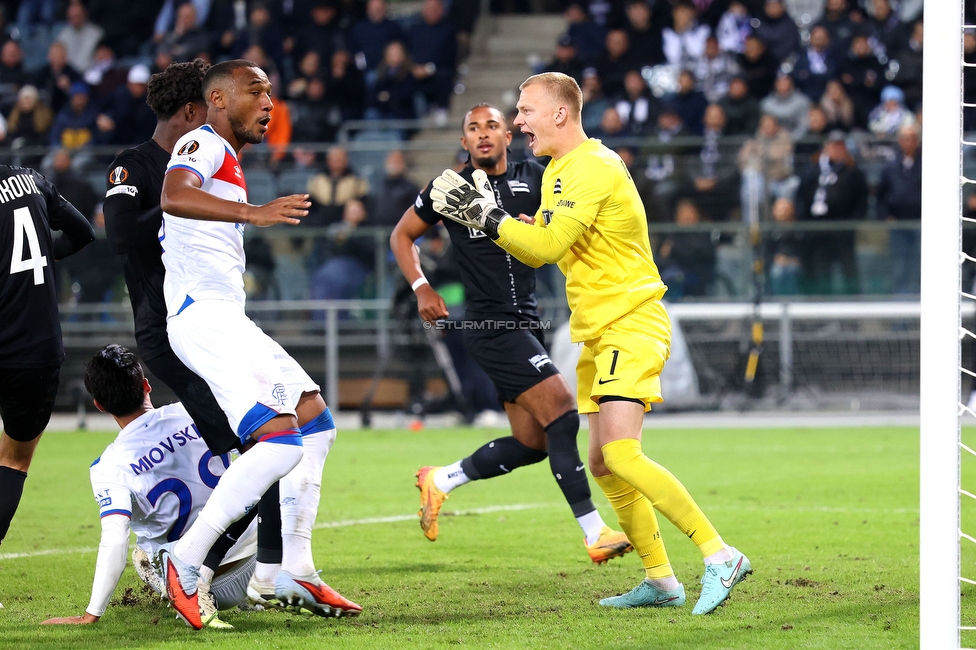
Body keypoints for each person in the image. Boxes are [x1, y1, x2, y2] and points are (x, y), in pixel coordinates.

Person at [426, 72, 750, 614]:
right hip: (596, 330)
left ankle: (720, 554)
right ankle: (661, 580)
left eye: (526, 110)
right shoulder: (558, 172)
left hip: (630, 321)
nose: (519, 121)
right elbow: (549, 237)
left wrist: (486, 216)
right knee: (601, 463)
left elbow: (542, 248)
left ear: (559, 114)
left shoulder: (594, 166)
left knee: (622, 452)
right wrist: (519, 223)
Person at [156, 59, 360, 629]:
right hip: (203, 317)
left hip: (223, 315)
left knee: (314, 421)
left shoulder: (228, 157)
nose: (269, 102)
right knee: (279, 443)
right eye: (256, 91)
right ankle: (186, 558)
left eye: (272, 91)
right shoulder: (202, 143)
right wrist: (254, 214)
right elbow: (173, 194)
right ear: (218, 99)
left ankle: (289, 567)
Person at [390, 103, 633, 564]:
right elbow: (402, 236)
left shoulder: (538, 177)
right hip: (490, 326)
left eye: (492, 126)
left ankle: (440, 480)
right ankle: (594, 531)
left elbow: (564, 223)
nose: (483, 134)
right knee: (561, 413)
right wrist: (422, 287)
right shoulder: (450, 188)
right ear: (463, 142)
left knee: (532, 443)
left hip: (527, 323)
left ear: (508, 136)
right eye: (473, 128)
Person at [101, 59, 284, 593]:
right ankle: (187, 569)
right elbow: (118, 236)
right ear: (193, 109)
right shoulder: (137, 165)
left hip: (209, 324)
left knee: (272, 443)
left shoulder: (217, 155)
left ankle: (264, 575)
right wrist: (185, 209)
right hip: (169, 331)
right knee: (263, 448)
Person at [40, 345, 256, 629]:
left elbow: (115, 539)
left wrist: (91, 613)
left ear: (99, 405)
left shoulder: (109, 465)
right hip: (264, 556)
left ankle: (173, 582)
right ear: (146, 386)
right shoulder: (193, 410)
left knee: (140, 553)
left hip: (210, 584)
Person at [0, 163, 95, 555]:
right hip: (34, 349)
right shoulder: (32, 179)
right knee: (15, 460)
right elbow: (84, 232)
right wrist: (44, 252)